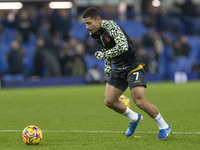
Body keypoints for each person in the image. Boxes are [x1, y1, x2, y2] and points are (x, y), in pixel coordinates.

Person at [82, 7, 172, 139]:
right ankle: (134, 118)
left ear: (98, 20)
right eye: (85, 24)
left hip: (132, 65)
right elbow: (104, 47)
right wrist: (107, 65)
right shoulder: (94, 33)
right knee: (109, 101)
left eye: (89, 23)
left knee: (139, 101)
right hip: (118, 68)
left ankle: (164, 126)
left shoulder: (111, 27)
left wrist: (104, 55)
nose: (87, 27)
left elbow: (123, 47)